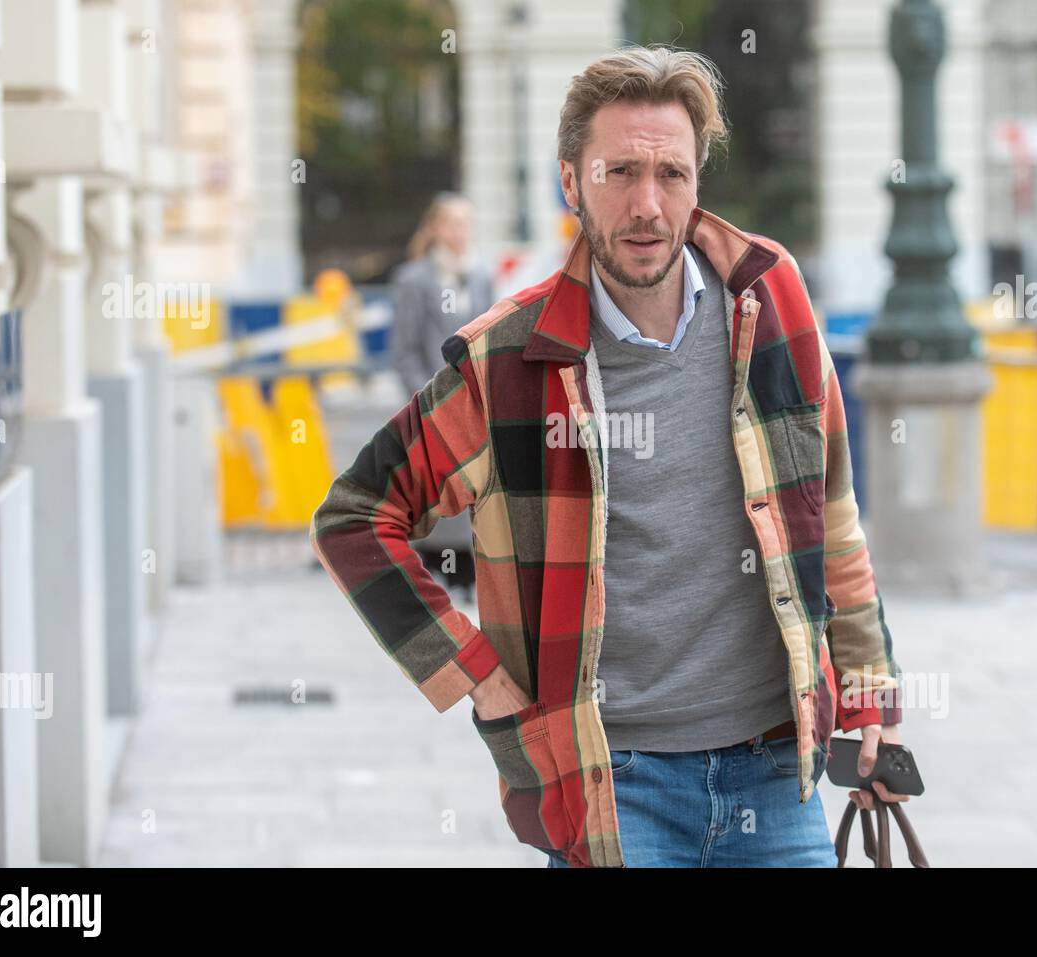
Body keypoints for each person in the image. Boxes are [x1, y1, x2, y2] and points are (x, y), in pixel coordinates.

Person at [312, 46, 907, 868]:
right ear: (571, 181)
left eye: (671, 175)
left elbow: (830, 510)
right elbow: (355, 516)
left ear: (699, 181)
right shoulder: (506, 364)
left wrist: (871, 693)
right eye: (619, 171)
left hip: (777, 775)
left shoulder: (772, 300)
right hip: (609, 786)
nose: (646, 205)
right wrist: (475, 673)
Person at [387, 192, 494, 597]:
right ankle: (437, 575)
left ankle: (472, 576)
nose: (460, 232)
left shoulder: (481, 274)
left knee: (476, 487)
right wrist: (427, 403)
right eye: (452, 223)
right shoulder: (413, 280)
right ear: (434, 228)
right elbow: (404, 352)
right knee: (436, 491)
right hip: (433, 407)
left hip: (476, 403)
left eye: (466, 223)